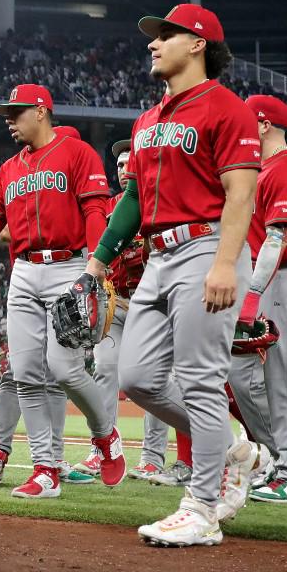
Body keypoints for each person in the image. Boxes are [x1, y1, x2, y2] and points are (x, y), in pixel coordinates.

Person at [79, 3, 263, 547]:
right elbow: (133, 198)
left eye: (167, 35)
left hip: (206, 245)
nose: (153, 43)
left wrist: (225, 262)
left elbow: (241, 194)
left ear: (199, 44)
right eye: (154, 36)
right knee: (137, 377)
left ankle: (202, 508)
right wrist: (98, 260)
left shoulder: (227, 108)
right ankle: (235, 451)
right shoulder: (146, 120)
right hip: (157, 257)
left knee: (201, 379)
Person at [0, 84, 126, 500]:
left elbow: (95, 210)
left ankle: (105, 434)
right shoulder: (9, 168)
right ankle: (45, 470)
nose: (10, 121)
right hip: (24, 271)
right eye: (7, 115)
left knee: (65, 370)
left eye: (17, 113)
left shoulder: (77, 152)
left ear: (42, 111)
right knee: (25, 373)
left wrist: (96, 268)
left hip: (69, 265)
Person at [228, 95, 287, 503]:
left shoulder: (285, 168)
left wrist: (251, 295)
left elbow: (277, 238)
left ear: (263, 125)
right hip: (265, 279)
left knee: (284, 379)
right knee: (238, 376)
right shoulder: (257, 169)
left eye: (246, 121)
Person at [73, 139, 170, 482]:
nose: (124, 169)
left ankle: (152, 458)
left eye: (130, 163)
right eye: (119, 165)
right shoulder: (109, 208)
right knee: (105, 370)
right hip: (115, 302)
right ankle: (102, 450)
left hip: (152, 304)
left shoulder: (158, 205)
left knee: (154, 378)